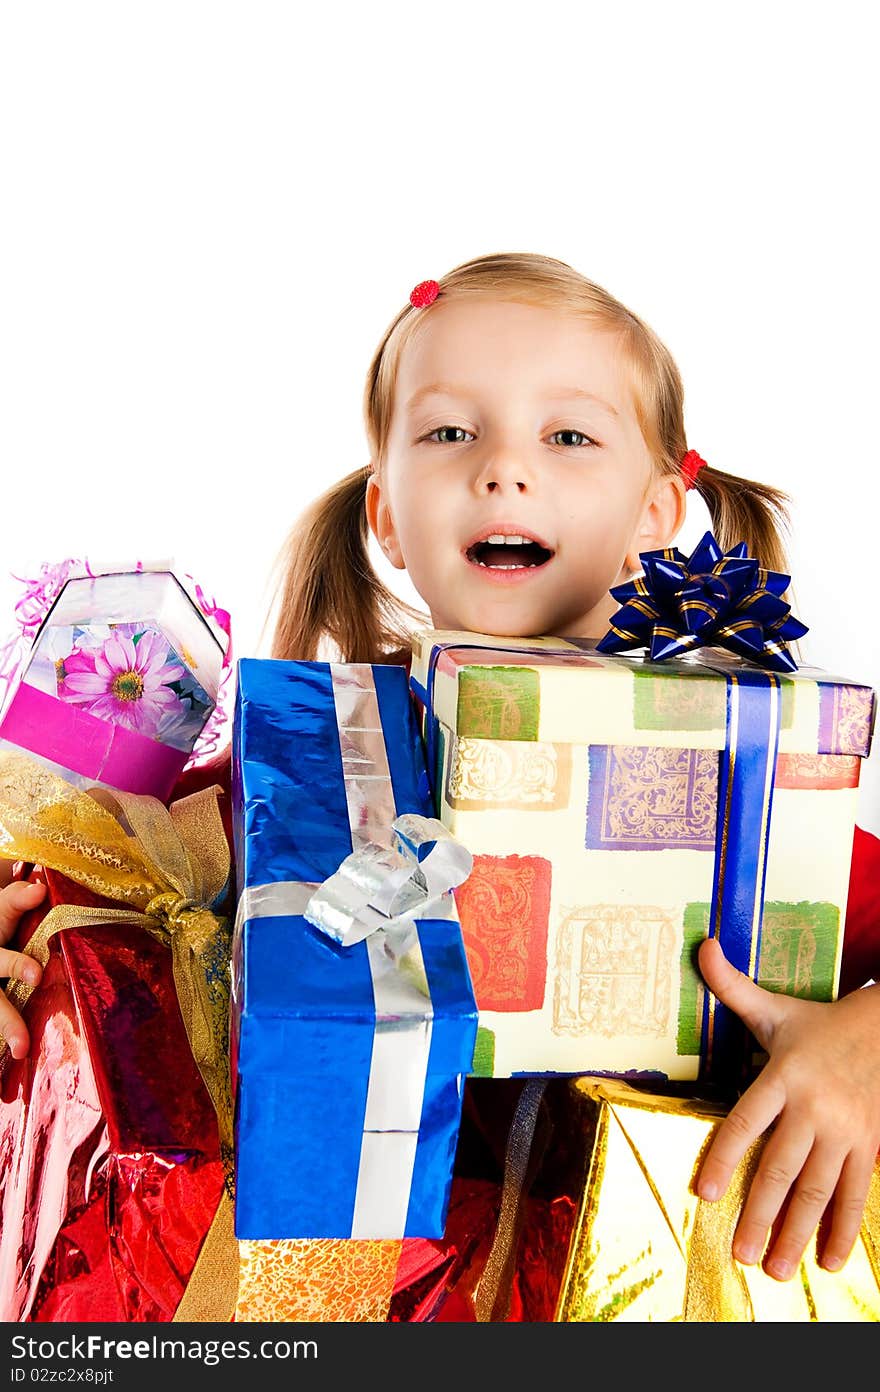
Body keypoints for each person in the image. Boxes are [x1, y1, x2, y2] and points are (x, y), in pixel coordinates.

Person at [2, 251, 879, 1298]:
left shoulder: (746, 807)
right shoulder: (302, 766)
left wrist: (863, 1051)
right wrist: (35, 945)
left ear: (657, 511)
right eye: (450, 432)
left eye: (568, 435)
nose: (504, 468)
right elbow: (96, 906)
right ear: (384, 515)